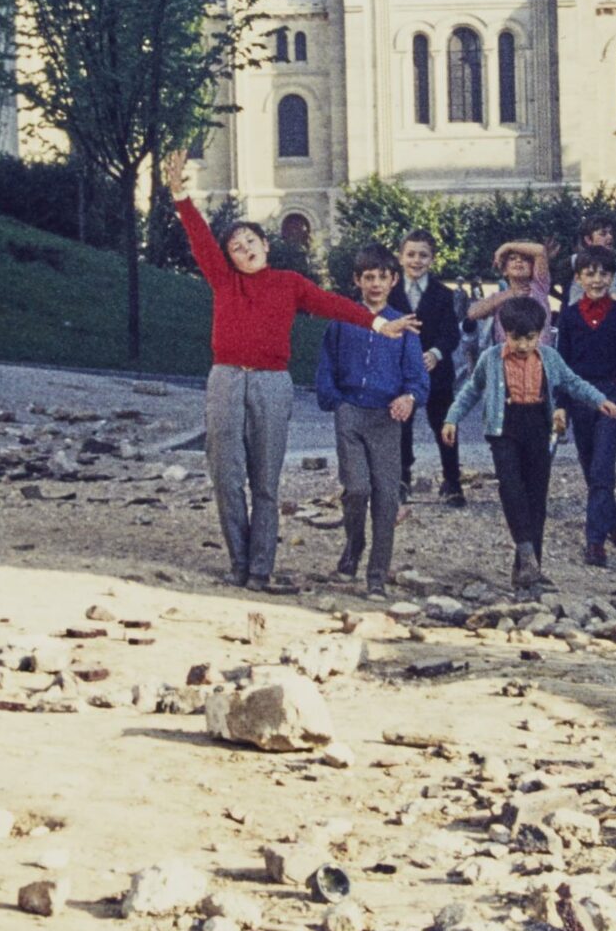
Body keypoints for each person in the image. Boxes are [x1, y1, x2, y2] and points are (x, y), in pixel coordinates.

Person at [165, 149, 418, 592]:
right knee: (226, 476)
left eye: (251, 243)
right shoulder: (223, 280)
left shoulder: (289, 284)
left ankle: (260, 568)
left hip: (271, 385)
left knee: (265, 479)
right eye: (236, 248)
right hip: (225, 379)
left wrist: (380, 322)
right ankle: (238, 561)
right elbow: (199, 238)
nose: (245, 251)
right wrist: (181, 196)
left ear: (266, 245)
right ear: (231, 258)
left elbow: (335, 305)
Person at [441, 296, 611, 592]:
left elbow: (572, 382)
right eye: (515, 338)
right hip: (504, 426)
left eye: (529, 339)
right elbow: (471, 390)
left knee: (536, 496)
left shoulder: (549, 357)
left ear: (540, 334)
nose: (522, 346)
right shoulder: (491, 358)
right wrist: (452, 418)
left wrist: (599, 400)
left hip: (537, 426)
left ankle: (529, 571)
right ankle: (525, 550)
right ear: (503, 332)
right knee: (511, 486)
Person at [314, 246, 428, 598]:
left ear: (394, 280)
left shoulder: (406, 328)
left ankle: (376, 575)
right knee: (357, 488)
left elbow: (418, 379)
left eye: (382, 277)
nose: (375, 284)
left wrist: (408, 398)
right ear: (357, 281)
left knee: (385, 497)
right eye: (368, 277)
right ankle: (354, 543)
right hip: (350, 411)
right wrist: (335, 399)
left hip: (386, 418)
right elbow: (325, 366)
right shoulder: (343, 321)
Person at [551, 245, 616, 567]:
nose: (597, 280)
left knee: (603, 467)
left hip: (610, 395)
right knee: (589, 465)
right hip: (580, 394)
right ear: (578, 277)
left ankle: (595, 541)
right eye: (589, 273)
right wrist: (561, 405)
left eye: (604, 273)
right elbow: (562, 365)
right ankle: (615, 525)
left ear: (612, 276)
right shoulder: (568, 316)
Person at [388, 230, 466, 507]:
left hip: (435, 371)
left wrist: (435, 353)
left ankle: (452, 480)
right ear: (400, 257)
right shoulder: (390, 291)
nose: (416, 261)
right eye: (411, 254)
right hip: (399, 373)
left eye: (423, 255)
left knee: (444, 423)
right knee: (401, 425)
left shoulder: (443, 294)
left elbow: (451, 334)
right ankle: (402, 478)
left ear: (432, 259)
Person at [466, 240, 550, 343]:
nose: (518, 261)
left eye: (525, 259)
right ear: (504, 270)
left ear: (533, 267)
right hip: (507, 356)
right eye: (512, 258)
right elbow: (472, 313)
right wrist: (511, 294)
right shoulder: (500, 298)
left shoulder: (539, 286)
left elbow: (540, 250)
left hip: (539, 355)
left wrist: (508, 246)